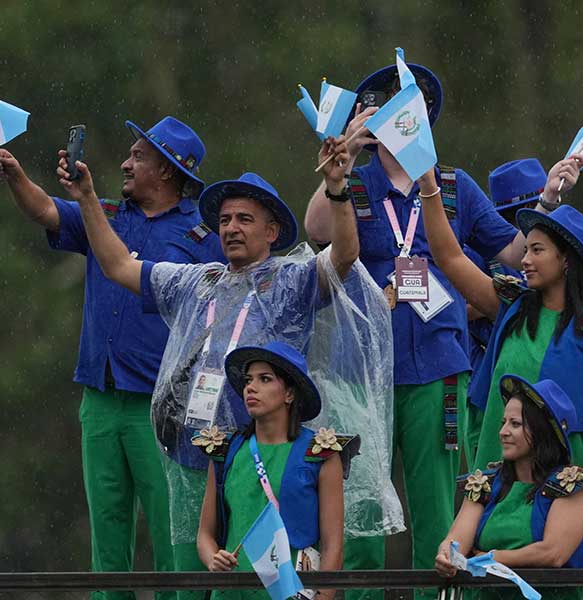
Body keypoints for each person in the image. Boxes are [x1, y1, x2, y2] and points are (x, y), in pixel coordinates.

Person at [55, 136, 401, 597]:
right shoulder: (198, 281)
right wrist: (86, 200)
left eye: (244, 219)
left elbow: (344, 255)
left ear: (272, 231)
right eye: (224, 220)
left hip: (263, 454)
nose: (231, 228)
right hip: (195, 454)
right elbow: (118, 265)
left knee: (262, 583)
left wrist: (337, 188)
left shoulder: (290, 278)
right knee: (192, 583)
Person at [302, 61, 528, 598]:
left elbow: (516, 254)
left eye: (414, 111)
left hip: (435, 364)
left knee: (433, 504)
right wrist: (346, 155)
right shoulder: (352, 181)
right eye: (389, 110)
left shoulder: (451, 185)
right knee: (360, 505)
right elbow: (314, 231)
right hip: (360, 369)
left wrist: (548, 207)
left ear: (427, 120)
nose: (404, 120)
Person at [0, 116, 223, 600]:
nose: (125, 163)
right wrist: (16, 175)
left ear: (166, 171)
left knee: (173, 538)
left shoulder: (204, 237)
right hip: (99, 399)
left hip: (163, 409)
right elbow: (46, 212)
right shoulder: (106, 213)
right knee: (108, 537)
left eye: (138, 156)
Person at [419, 161, 583, 475]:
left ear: (566, 261)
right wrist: (429, 187)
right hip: (500, 486)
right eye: (526, 250)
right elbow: (449, 257)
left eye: (537, 250)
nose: (523, 260)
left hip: (563, 492)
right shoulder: (512, 306)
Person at [197, 341, 359, 600]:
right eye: (248, 380)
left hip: (293, 591)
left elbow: (333, 544)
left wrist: (323, 596)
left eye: (265, 379)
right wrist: (213, 559)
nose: (251, 387)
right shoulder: (224, 450)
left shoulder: (320, 453)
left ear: (290, 394)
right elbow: (205, 534)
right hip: (230, 592)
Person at [435, 375, 583, 600]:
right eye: (503, 423)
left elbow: (552, 553)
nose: (503, 432)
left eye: (515, 424)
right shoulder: (485, 485)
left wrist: (490, 557)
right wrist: (446, 555)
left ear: (541, 431)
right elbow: (456, 540)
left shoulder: (575, 486)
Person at [462, 158, 547, 460]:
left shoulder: (561, 247)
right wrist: (509, 299)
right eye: (519, 216)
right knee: (488, 476)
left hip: (545, 374)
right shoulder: (478, 247)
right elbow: (462, 306)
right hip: (492, 371)